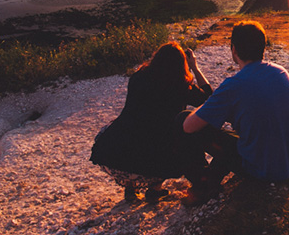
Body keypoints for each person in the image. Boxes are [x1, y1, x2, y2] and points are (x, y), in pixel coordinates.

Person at [181, 21, 289, 205]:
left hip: (262, 169)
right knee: (234, 135)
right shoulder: (280, 72)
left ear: (234, 50)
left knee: (182, 119)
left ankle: (202, 184)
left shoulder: (234, 85)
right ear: (263, 47)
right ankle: (212, 178)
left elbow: (189, 127)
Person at [90, 42, 211, 203]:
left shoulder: (138, 77)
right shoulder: (180, 85)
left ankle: (131, 187)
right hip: (157, 150)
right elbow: (208, 98)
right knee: (169, 140)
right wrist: (195, 68)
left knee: (138, 128)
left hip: (119, 144)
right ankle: (155, 189)